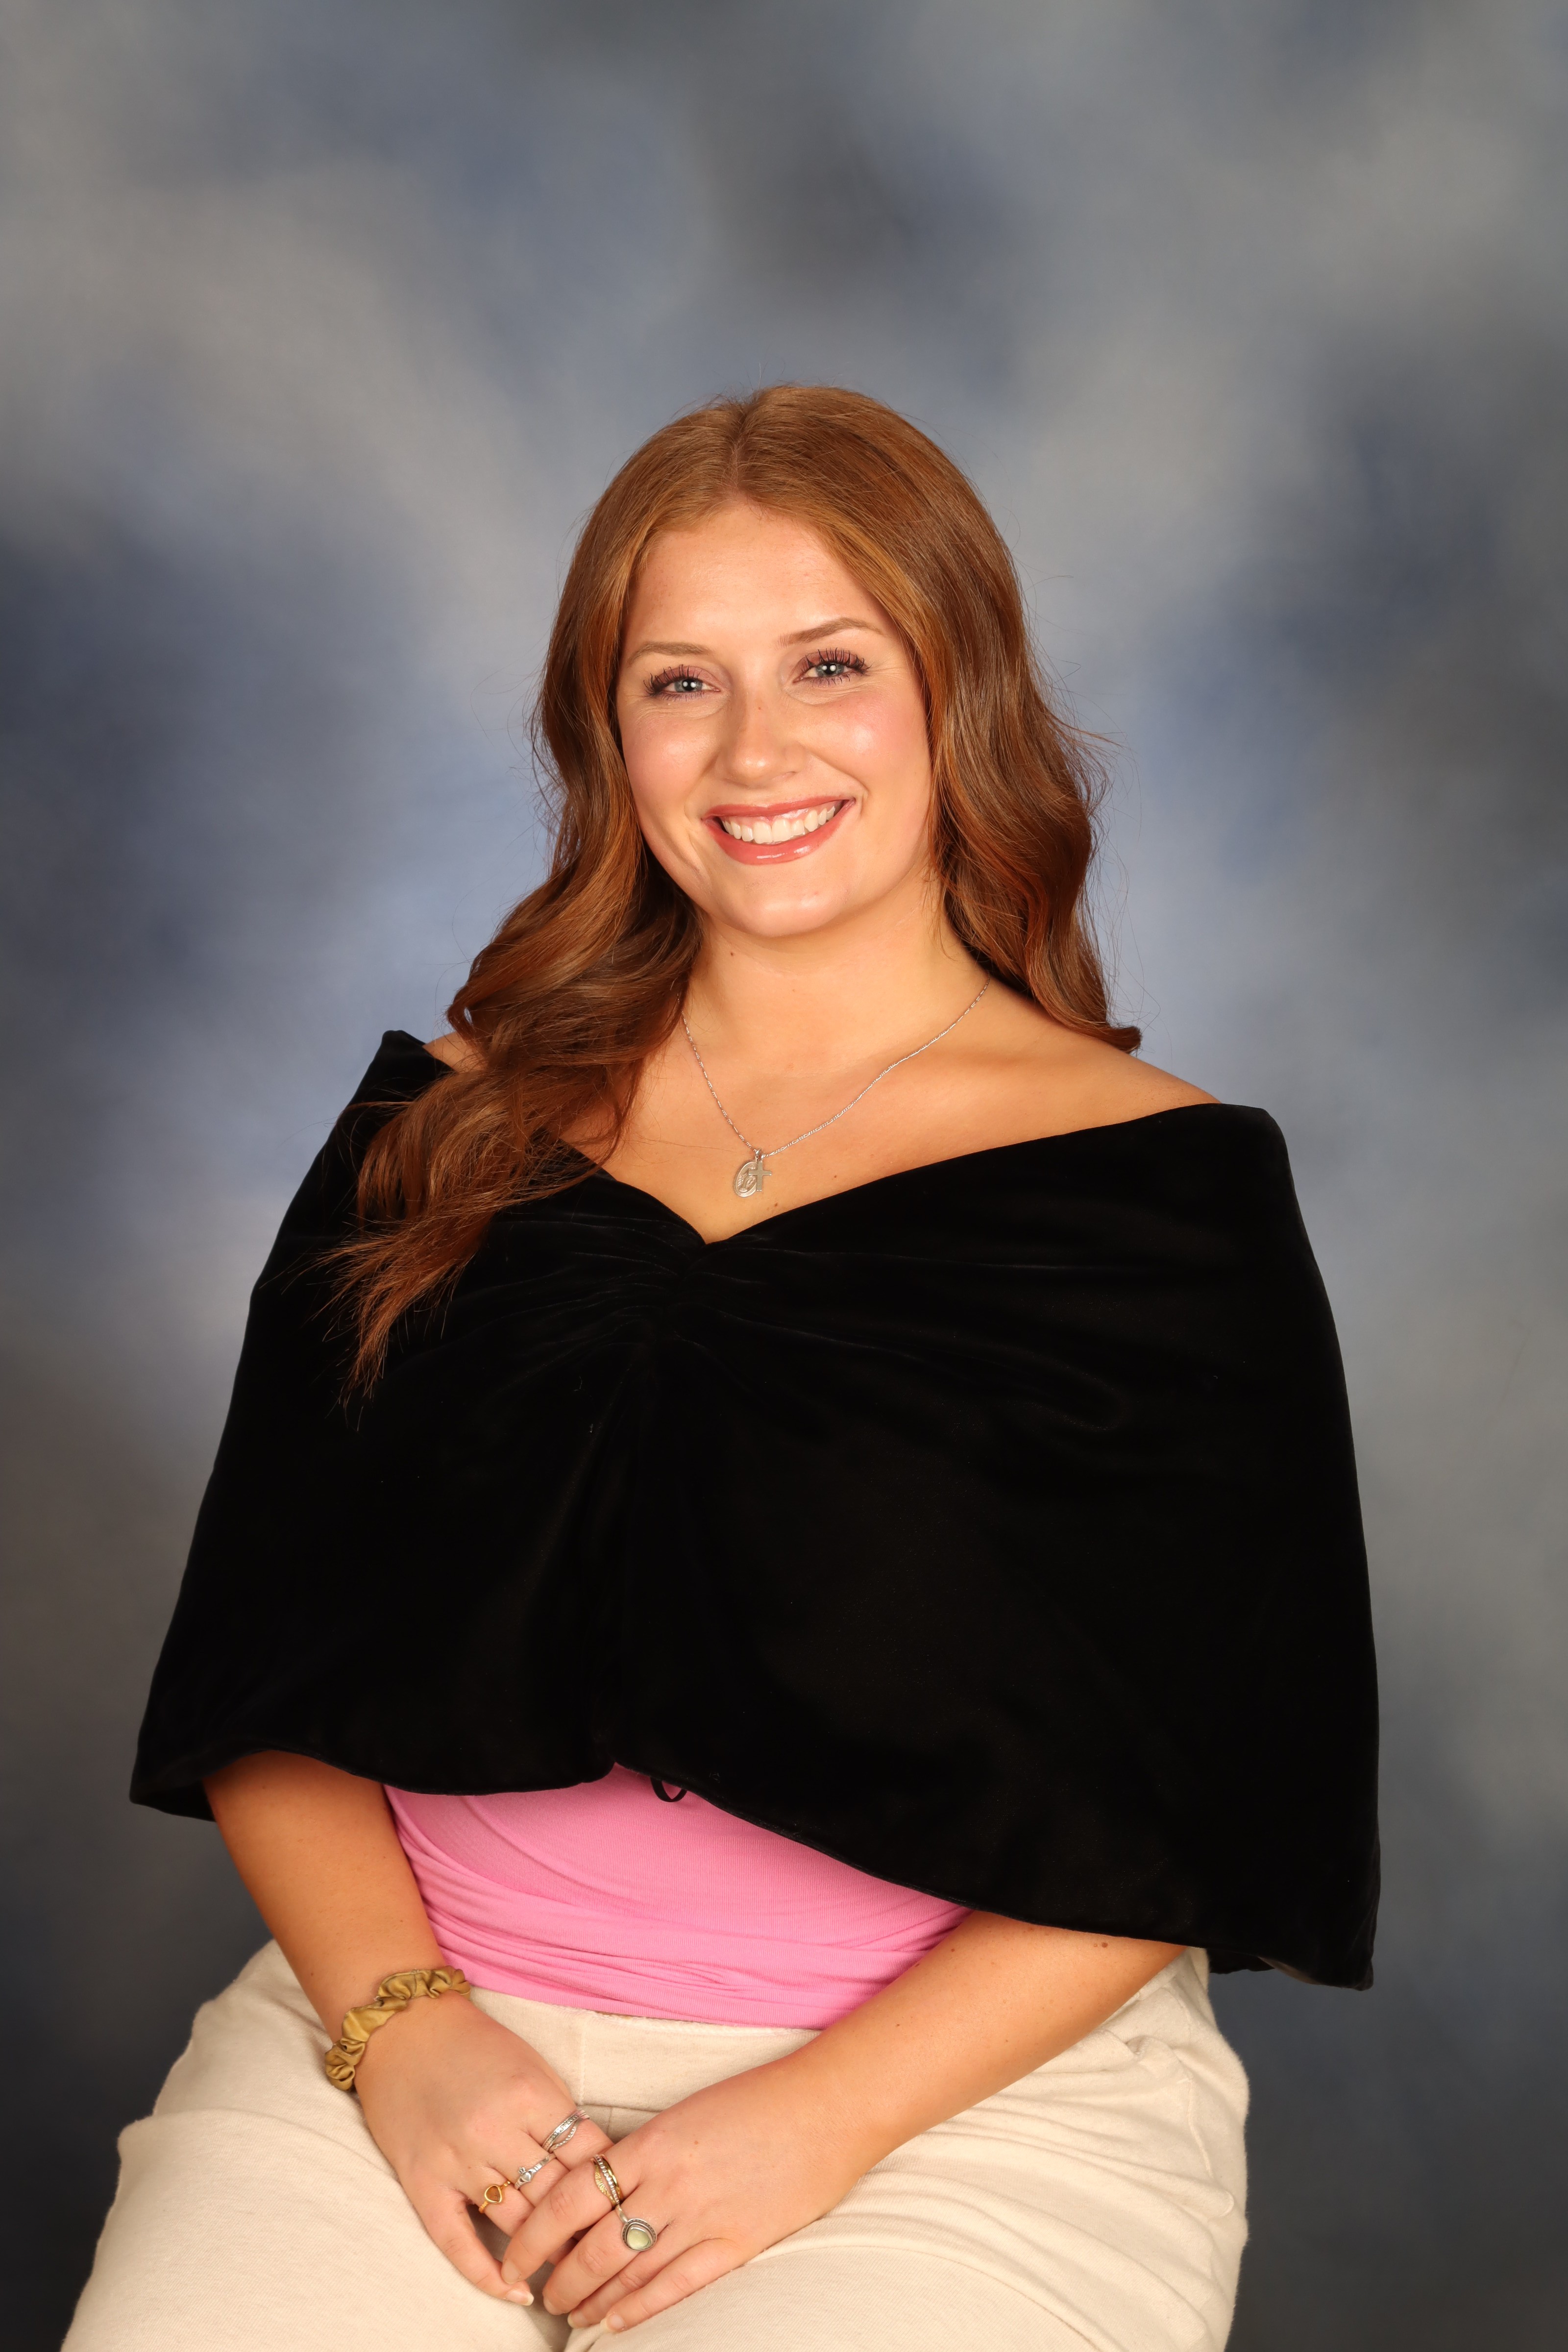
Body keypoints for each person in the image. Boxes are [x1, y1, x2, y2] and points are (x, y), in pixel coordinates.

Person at [67, 385, 1378, 2352]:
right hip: (413, 2045)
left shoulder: (1159, 1199)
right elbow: (267, 1683)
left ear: (955, 692)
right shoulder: (444, 1133)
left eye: (830, 665)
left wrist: (813, 2126)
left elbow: (1211, 1807)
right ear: (607, 735)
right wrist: (406, 2038)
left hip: (945, 2115)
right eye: (679, 683)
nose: (755, 751)